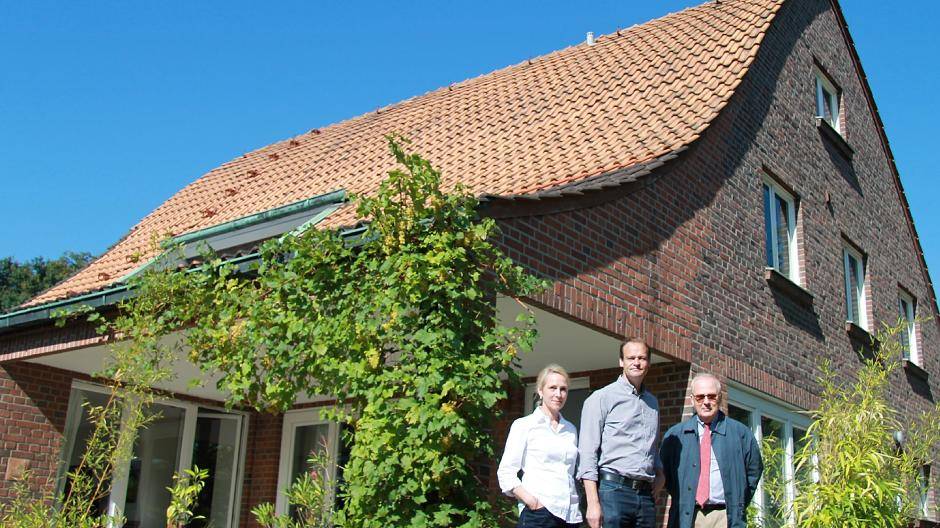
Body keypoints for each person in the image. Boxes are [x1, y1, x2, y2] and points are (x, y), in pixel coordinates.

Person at [578, 338, 663, 528]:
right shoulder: (601, 398)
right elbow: (587, 452)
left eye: (641, 358)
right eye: (631, 358)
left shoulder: (652, 403)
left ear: (648, 362)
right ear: (621, 362)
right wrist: (593, 504)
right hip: (613, 492)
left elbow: (652, 446)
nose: (636, 362)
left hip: (644, 495)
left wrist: (660, 474)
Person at [660, 373, 763, 528]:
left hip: (725, 517)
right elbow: (665, 474)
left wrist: (738, 501)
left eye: (712, 396)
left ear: (720, 398)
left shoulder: (740, 433)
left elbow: (754, 470)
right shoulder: (676, 435)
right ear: (692, 399)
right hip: (687, 517)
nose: (706, 402)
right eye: (700, 397)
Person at [497, 364, 583, 527]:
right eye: (552, 388)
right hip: (538, 514)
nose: (558, 394)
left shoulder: (571, 429)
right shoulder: (524, 425)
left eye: (563, 389)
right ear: (540, 390)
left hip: (569, 516)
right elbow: (506, 472)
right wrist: (532, 502)